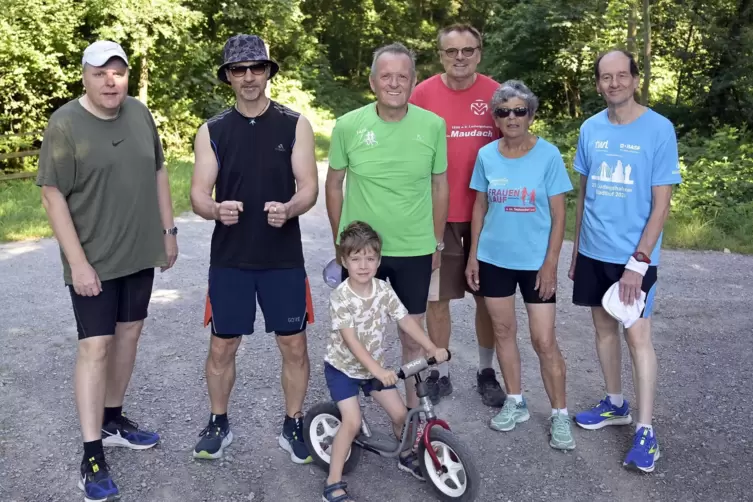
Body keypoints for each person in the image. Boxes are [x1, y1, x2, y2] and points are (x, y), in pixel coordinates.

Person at [36, 40, 179, 501]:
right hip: (92, 259)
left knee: (130, 334)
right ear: (85, 76)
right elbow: (51, 195)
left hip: (139, 253)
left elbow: (158, 171)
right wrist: (77, 263)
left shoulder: (139, 113)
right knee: (95, 347)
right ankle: (92, 451)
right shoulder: (65, 124)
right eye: (100, 73)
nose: (110, 81)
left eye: (118, 72)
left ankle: (113, 418)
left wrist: (169, 230)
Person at [190, 34, 319, 464]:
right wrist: (214, 209)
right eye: (238, 70)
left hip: (282, 258)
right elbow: (197, 196)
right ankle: (217, 422)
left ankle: (293, 422)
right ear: (228, 76)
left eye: (256, 68)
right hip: (230, 259)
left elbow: (310, 189)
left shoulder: (294, 123)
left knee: (294, 345)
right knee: (222, 346)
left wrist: (290, 207)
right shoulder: (212, 130)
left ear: (268, 72)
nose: (248, 77)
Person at [569, 49, 683, 472]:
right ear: (598, 84)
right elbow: (583, 194)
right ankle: (615, 403)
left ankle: (646, 431)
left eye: (621, 75)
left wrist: (638, 262)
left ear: (635, 79)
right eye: (605, 77)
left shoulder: (659, 129)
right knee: (603, 331)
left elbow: (661, 205)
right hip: (593, 252)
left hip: (634, 258)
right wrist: (578, 251)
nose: (613, 83)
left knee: (638, 338)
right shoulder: (590, 129)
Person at [324, 42, 449, 426]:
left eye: (402, 76)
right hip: (364, 252)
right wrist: (339, 243)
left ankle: (413, 417)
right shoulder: (348, 125)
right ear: (372, 81)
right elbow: (333, 185)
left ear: (413, 81)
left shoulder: (432, 125)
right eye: (386, 76)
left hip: (413, 247)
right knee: (358, 332)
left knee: (411, 334)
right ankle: (352, 413)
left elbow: (439, 185)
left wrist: (437, 241)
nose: (394, 83)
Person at [465, 80, 575, 450]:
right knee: (503, 331)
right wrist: (473, 256)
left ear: (531, 114)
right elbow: (479, 207)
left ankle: (560, 414)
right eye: (503, 111)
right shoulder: (487, 155)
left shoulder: (548, 155)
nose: (511, 118)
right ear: (495, 117)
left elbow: (559, 217)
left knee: (544, 340)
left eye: (519, 111)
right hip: (494, 259)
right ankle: (516, 401)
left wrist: (551, 264)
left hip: (535, 263)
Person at [409, 23, 506, 407]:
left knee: (488, 299)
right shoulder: (422, 94)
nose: (460, 57)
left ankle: (486, 371)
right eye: (452, 51)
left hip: (488, 213)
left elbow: (514, 147)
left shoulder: (497, 95)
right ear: (441, 55)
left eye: (468, 50)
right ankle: (440, 371)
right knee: (437, 299)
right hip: (438, 214)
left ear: (479, 53)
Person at [322, 221, 449, 502]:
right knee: (352, 422)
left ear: (379, 261)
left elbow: (405, 319)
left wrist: (431, 346)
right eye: (356, 259)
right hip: (343, 370)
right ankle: (332, 481)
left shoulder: (383, 290)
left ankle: (405, 455)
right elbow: (352, 342)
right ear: (344, 261)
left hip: (374, 370)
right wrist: (378, 370)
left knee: (402, 416)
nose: (363, 265)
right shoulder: (341, 297)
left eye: (370, 258)